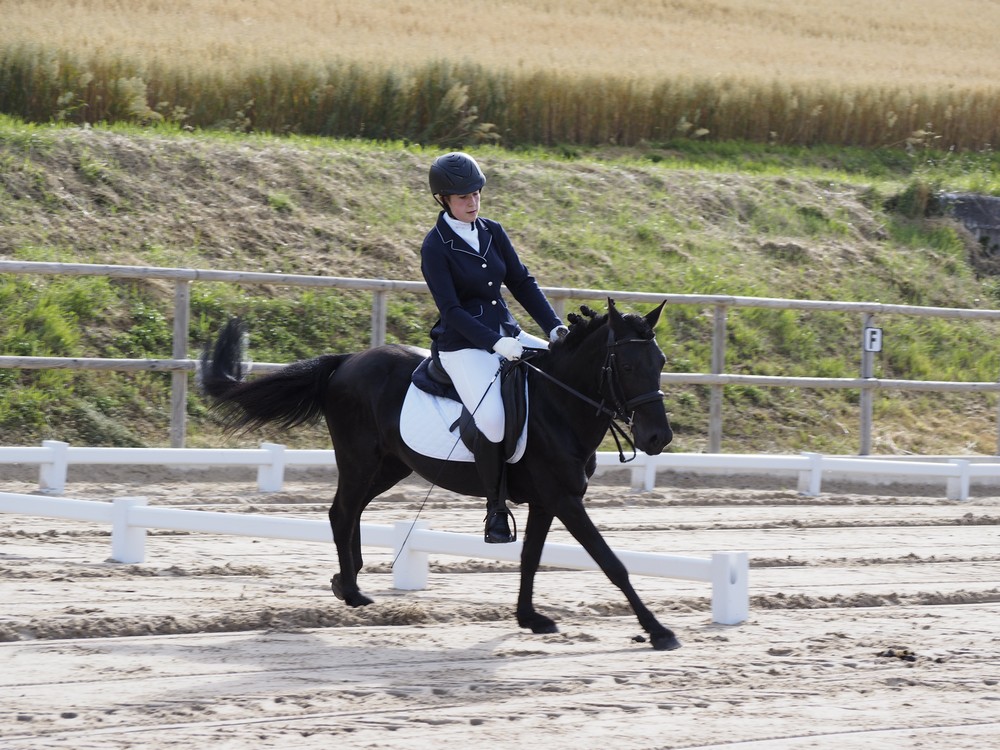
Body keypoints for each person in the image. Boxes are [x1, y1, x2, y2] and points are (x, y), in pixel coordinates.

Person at [420, 152, 568, 543]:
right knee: (493, 420)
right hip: (462, 345)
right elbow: (451, 310)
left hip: (507, 333)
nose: (473, 202)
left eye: (476, 193)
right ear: (443, 200)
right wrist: (493, 342)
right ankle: (496, 509)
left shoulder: (492, 231)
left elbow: (521, 282)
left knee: (561, 373)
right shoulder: (435, 246)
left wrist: (553, 328)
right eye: (463, 197)